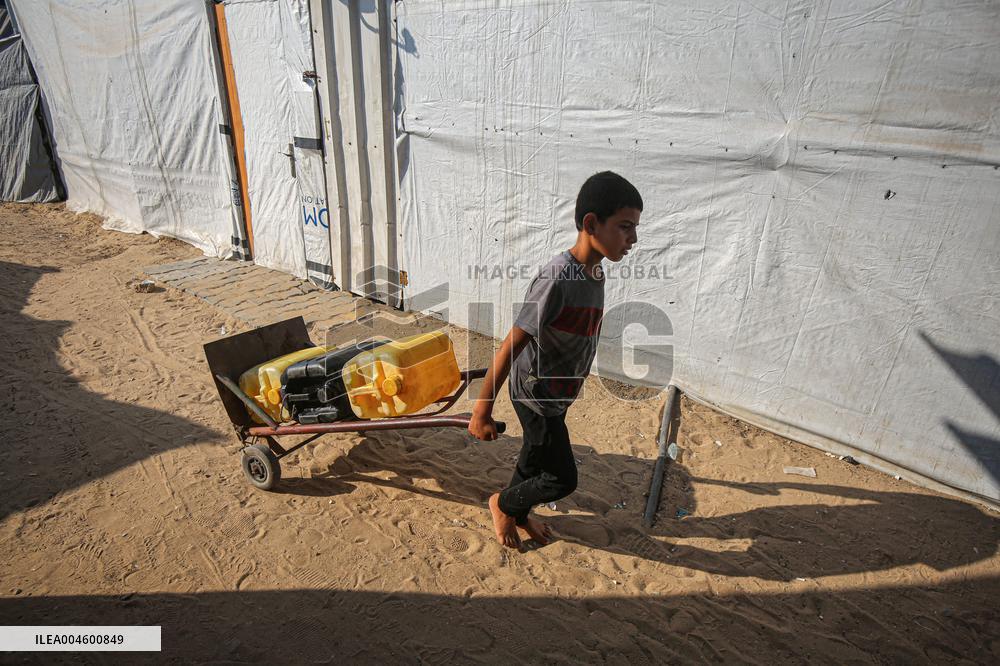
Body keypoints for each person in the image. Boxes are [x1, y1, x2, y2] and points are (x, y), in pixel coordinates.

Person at [468, 171, 642, 548]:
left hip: (558, 392)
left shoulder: (595, 273)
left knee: (533, 459)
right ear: (591, 223)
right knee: (562, 479)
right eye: (625, 227)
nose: (633, 239)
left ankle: (517, 512)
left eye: (635, 228)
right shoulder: (557, 278)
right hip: (535, 395)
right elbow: (510, 345)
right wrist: (481, 410)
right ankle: (503, 503)